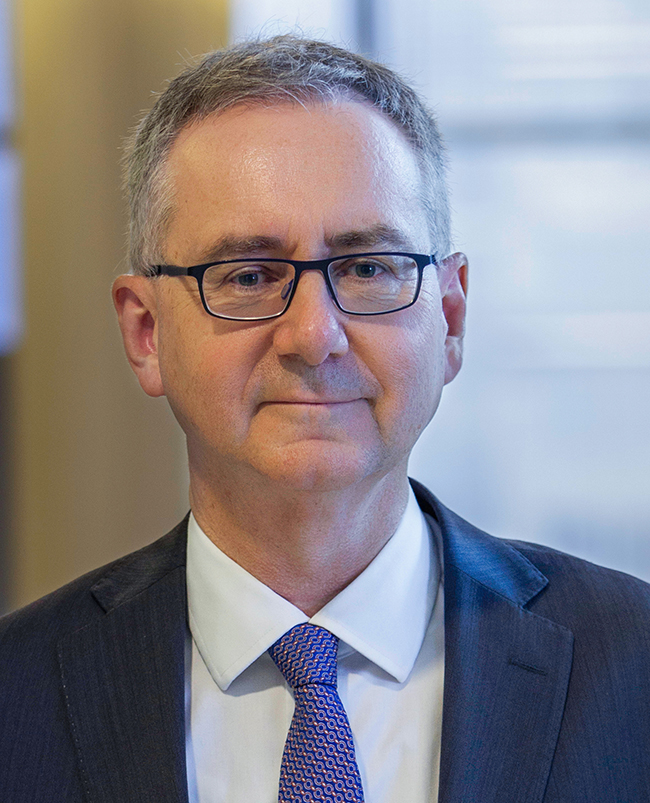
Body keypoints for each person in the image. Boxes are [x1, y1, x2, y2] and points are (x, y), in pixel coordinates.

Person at [1, 34, 649, 803]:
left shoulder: (633, 667)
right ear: (146, 333)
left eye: (369, 267)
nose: (314, 336)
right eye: (246, 275)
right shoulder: (19, 695)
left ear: (449, 316)